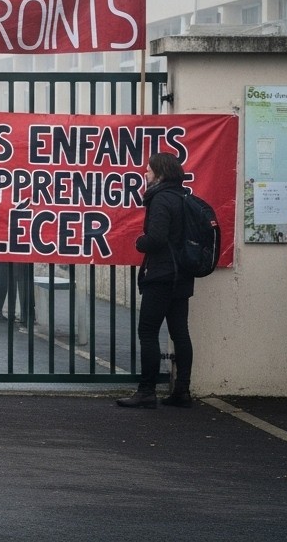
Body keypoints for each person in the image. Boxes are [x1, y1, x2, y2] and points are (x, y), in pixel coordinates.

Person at [117, 152, 195, 410]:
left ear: (160, 174)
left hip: (162, 275)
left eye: (149, 170)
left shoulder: (161, 198)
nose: (146, 174)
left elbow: (157, 238)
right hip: (182, 274)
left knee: (148, 332)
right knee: (179, 332)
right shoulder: (184, 196)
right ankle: (182, 390)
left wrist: (140, 242)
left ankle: (146, 391)